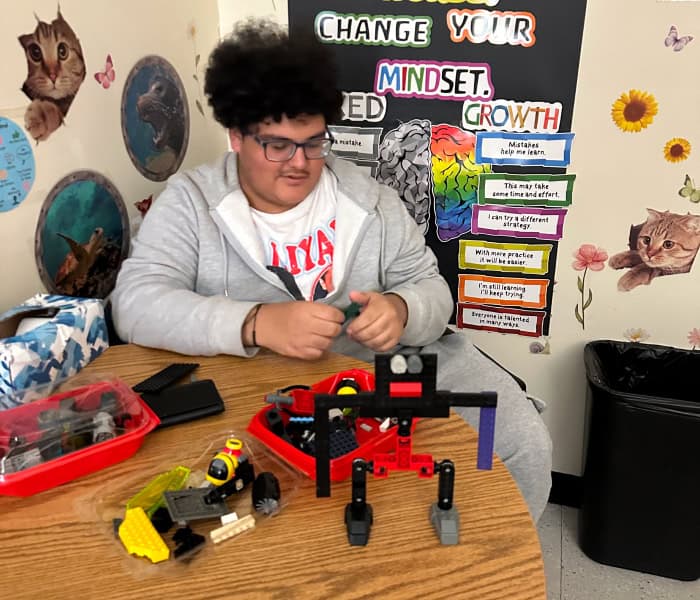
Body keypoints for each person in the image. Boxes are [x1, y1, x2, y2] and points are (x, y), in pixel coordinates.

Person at [111, 19, 552, 523]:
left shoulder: (371, 201)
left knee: (522, 442)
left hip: (380, 376)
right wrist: (254, 322)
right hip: (259, 388)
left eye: (314, 142)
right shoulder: (191, 203)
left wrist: (402, 309)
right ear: (235, 135)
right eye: (277, 144)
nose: (299, 163)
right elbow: (135, 303)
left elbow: (432, 288)